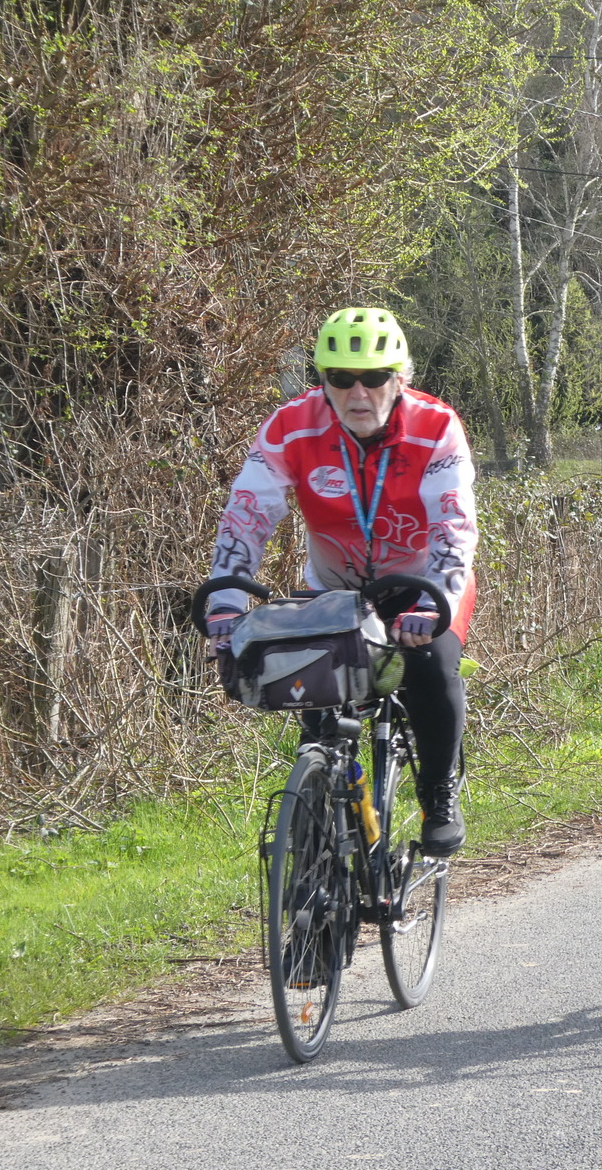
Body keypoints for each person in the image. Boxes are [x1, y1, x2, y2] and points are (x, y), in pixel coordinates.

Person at [203, 306, 478, 855]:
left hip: (423, 586)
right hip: (335, 591)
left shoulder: (436, 427)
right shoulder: (291, 427)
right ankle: (318, 839)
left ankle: (438, 793)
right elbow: (246, 516)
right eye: (341, 378)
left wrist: (435, 605)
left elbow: (453, 525)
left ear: (400, 379)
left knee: (430, 665)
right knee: (316, 699)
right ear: (323, 381)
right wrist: (226, 604)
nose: (358, 392)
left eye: (374, 377)